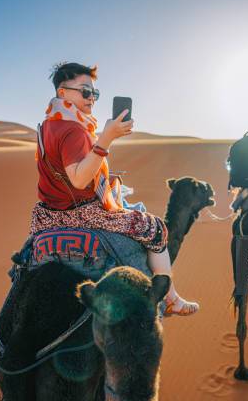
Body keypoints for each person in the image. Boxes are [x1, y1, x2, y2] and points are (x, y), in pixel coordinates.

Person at [30, 62, 198, 316]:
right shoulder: (73, 129)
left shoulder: (48, 125)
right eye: (85, 92)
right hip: (81, 213)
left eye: (94, 94)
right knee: (154, 230)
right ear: (62, 93)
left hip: (49, 213)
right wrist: (106, 139)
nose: (91, 99)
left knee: (132, 206)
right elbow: (77, 179)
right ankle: (170, 298)